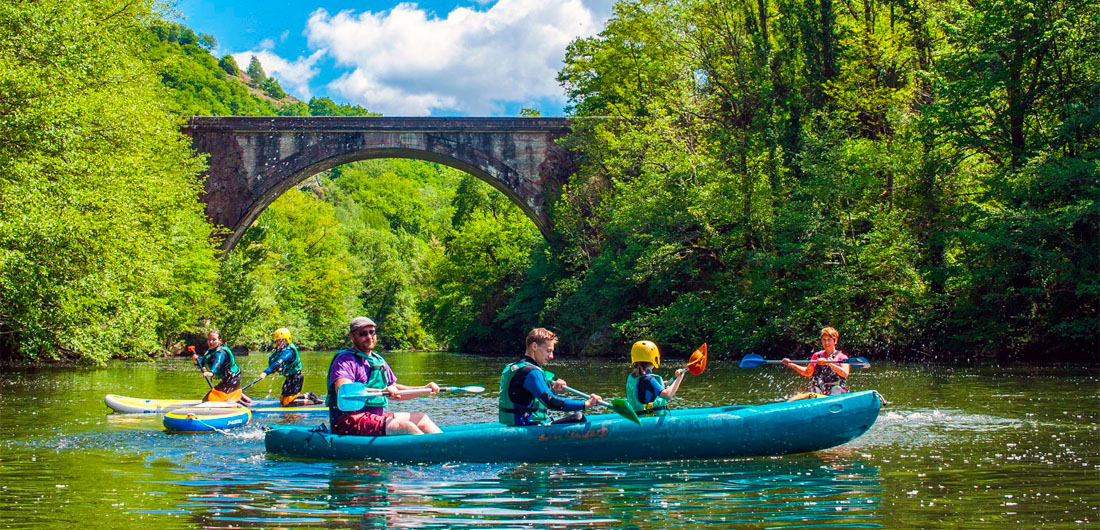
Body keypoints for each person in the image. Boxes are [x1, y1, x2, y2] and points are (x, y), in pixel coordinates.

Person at [326, 317, 441, 436]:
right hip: (348, 421)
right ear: (352, 336)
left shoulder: (378, 360)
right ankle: (430, 451)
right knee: (406, 427)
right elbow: (344, 390)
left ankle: (446, 447)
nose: (369, 337)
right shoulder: (345, 360)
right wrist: (381, 390)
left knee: (421, 419)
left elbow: (395, 391)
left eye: (372, 332)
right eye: (363, 333)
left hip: (375, 417)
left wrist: (424, 389)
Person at [498, 328, 601, 426]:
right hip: (529, 427)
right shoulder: (531, 372)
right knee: (578, 417)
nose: (551, 356)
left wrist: (552, 390)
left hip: (519, 424)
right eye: (548, 351)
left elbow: (526, 396)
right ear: (534, 346)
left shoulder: (517, 367)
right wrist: (585, 404)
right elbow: (551, 401)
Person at [257, 327, 320, 406]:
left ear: (286, 340)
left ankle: (312, 403)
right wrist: (272, 368)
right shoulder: (280, 350)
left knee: (286, 403)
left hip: (296, 378)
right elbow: (272, 358)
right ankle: (308, 396)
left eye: (279, 341)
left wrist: (266, 372)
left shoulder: (289, 351)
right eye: (276, 341)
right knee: (282, 399)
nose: (277, 343)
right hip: (289, 378)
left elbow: (279, 362)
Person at [782, 327, 850, 396]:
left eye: (829, 340)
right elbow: (807, 372)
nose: (826, 343)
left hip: (837, 391)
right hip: (821, 390)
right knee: (812, 389)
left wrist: (829, 363)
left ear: (835, 341)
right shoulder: (817, 356)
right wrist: (791, 364)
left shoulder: (842, 357)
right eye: (824, 340)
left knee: (836, 389)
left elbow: (845, 374)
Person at [625, 340, 686, 417]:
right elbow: (667, 395)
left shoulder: (631, 377)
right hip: (650, 421)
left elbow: (642, 389)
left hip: (637, 417)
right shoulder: (649, 380)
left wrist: (663, 383)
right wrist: (679, 378)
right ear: (654, 358)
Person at [192, 329, 248, 403]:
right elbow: (201, 363)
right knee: (206, 400)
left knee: (218, 400)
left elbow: (218, 363)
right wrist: (196, 360)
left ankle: (239, 399)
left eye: (214, 340)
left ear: (220, 340)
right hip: (225, 381)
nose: (211, 342)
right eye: (209, 339)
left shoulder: (221, 352)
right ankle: (243, 399)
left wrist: (212, 372)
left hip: (233, 380)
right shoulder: (210, 351)